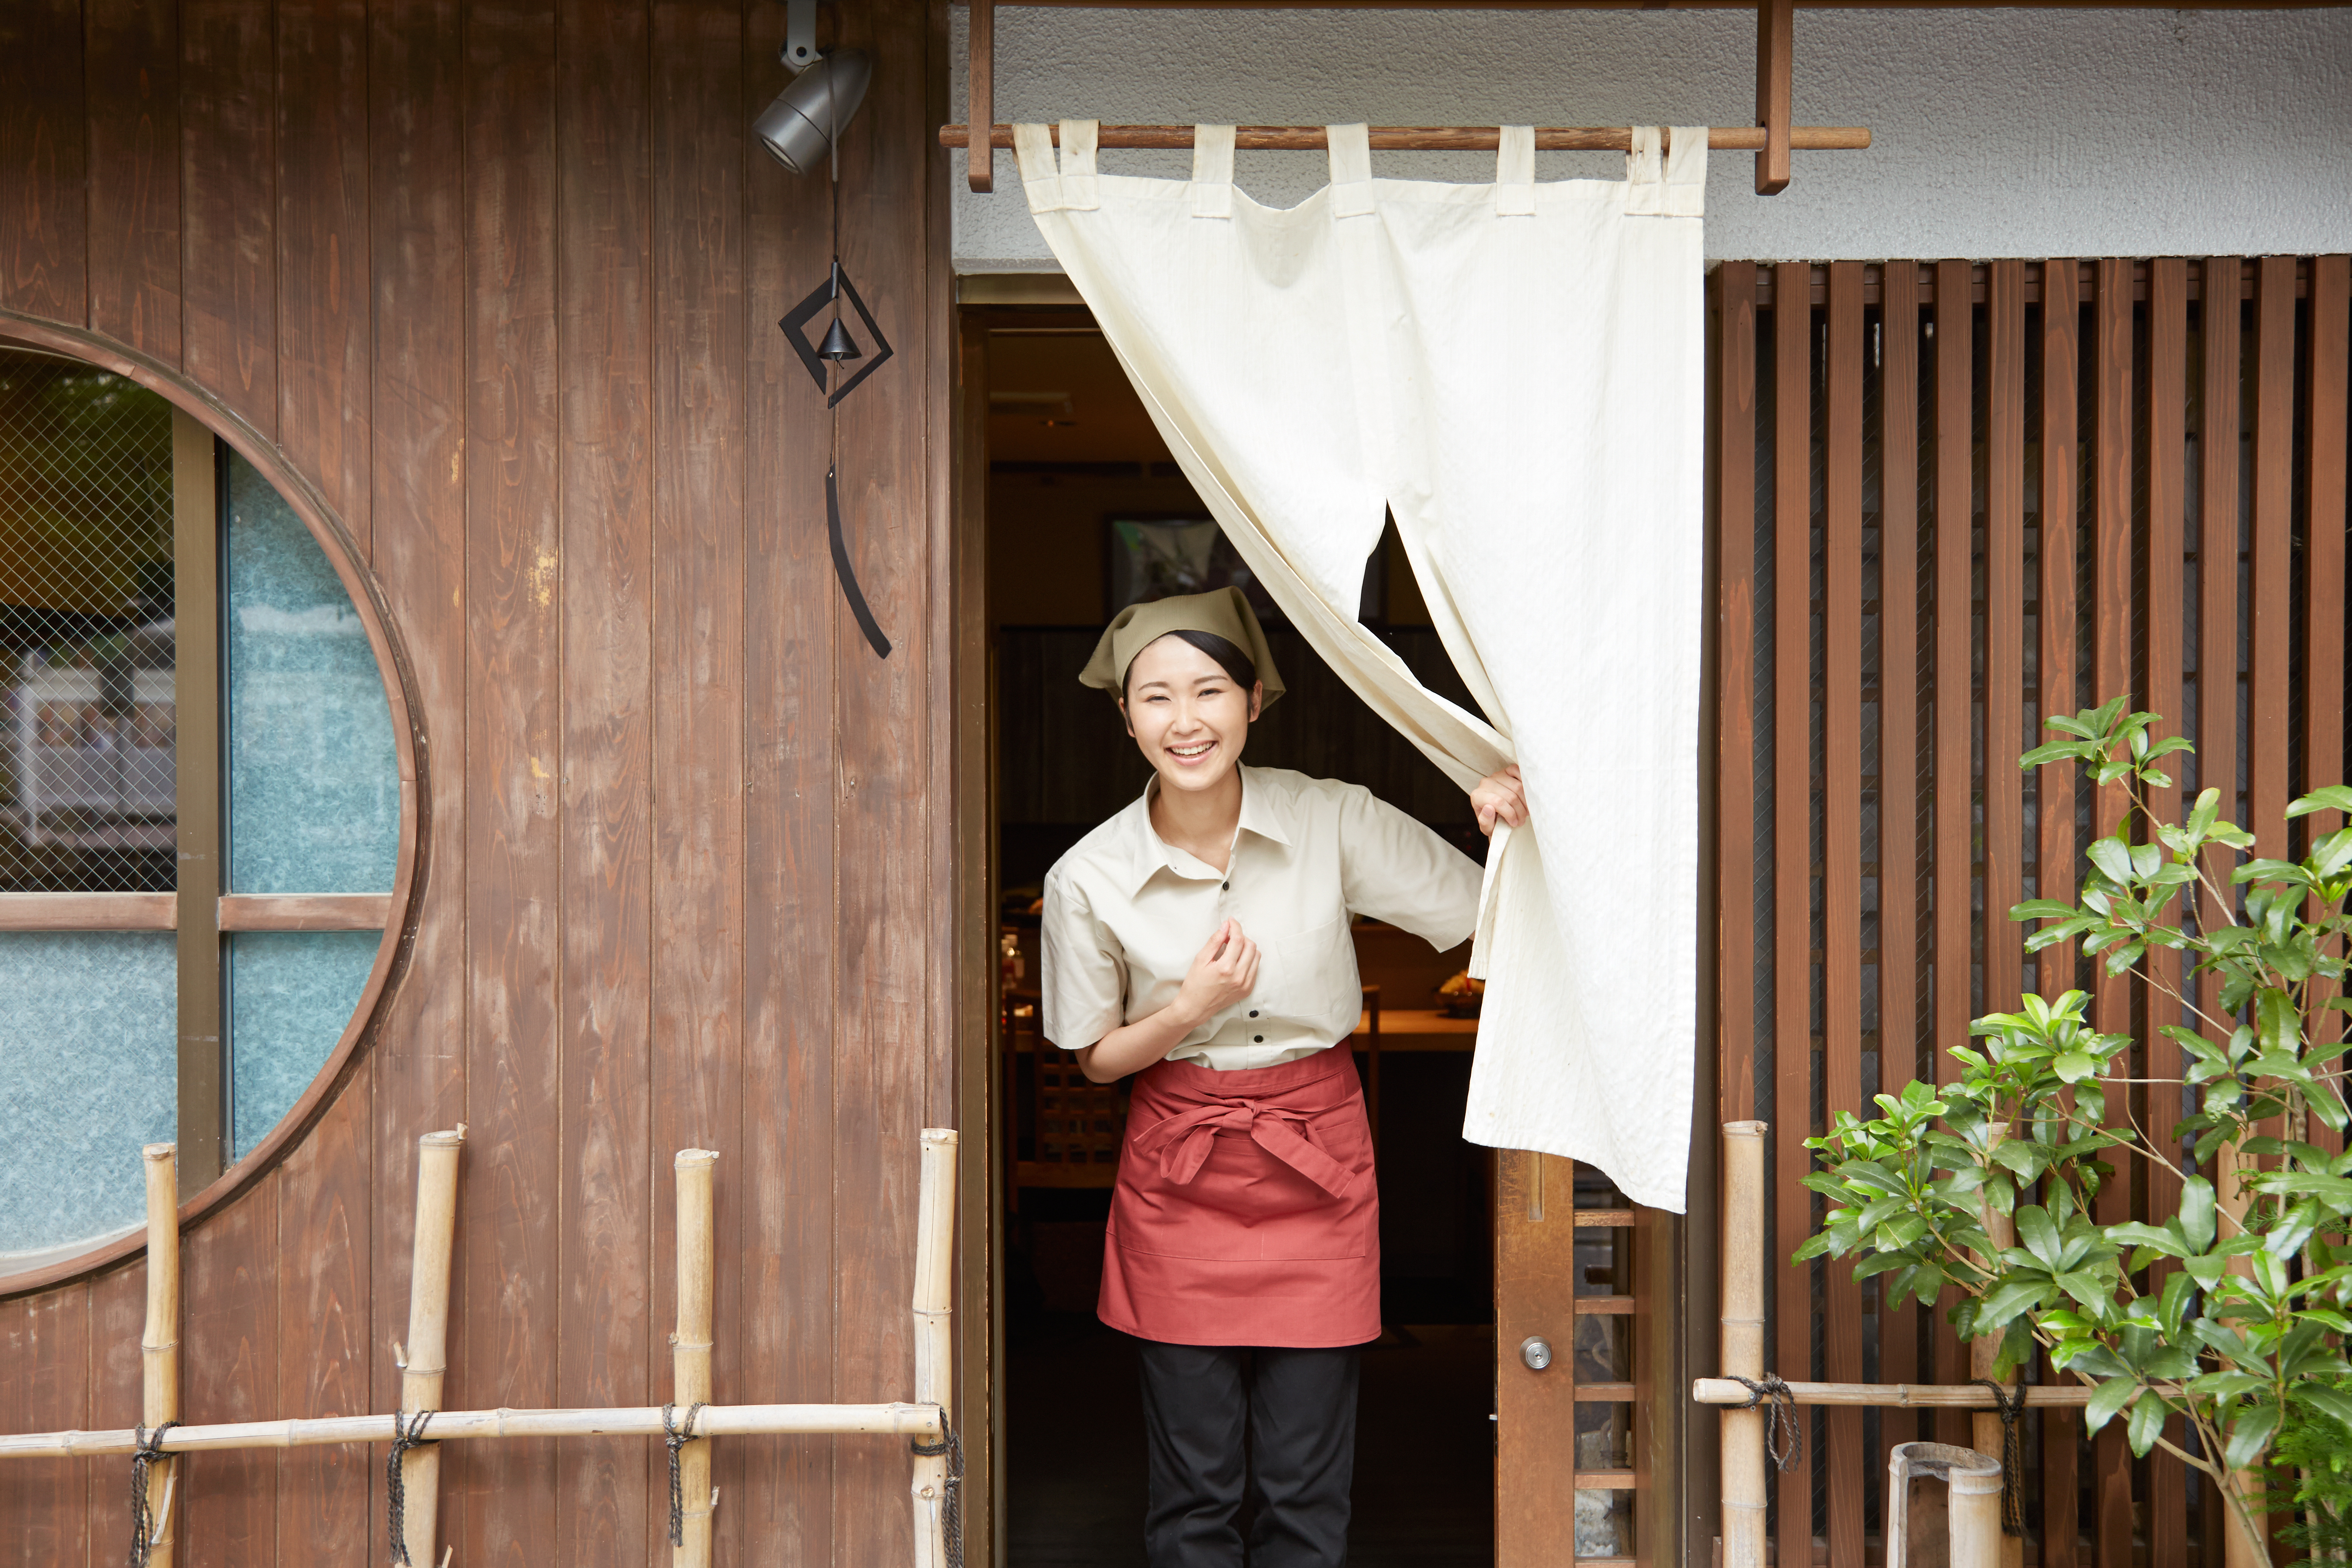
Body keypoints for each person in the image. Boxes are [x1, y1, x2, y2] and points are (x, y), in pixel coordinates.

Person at [1040, 587, 1525, 1568]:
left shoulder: (1330, 817)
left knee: (1306, 1487)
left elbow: (1491, 915)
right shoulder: (1085, 877)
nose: (1187, 722)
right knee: (1195, 1493)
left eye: (1210, 691)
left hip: (1317, 1159)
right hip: (1179, 1171)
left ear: (1254, 703)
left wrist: (1508, 818)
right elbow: (1096, 1058)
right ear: (1124, 716)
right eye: (1157, 698)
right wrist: (1187, 1008)